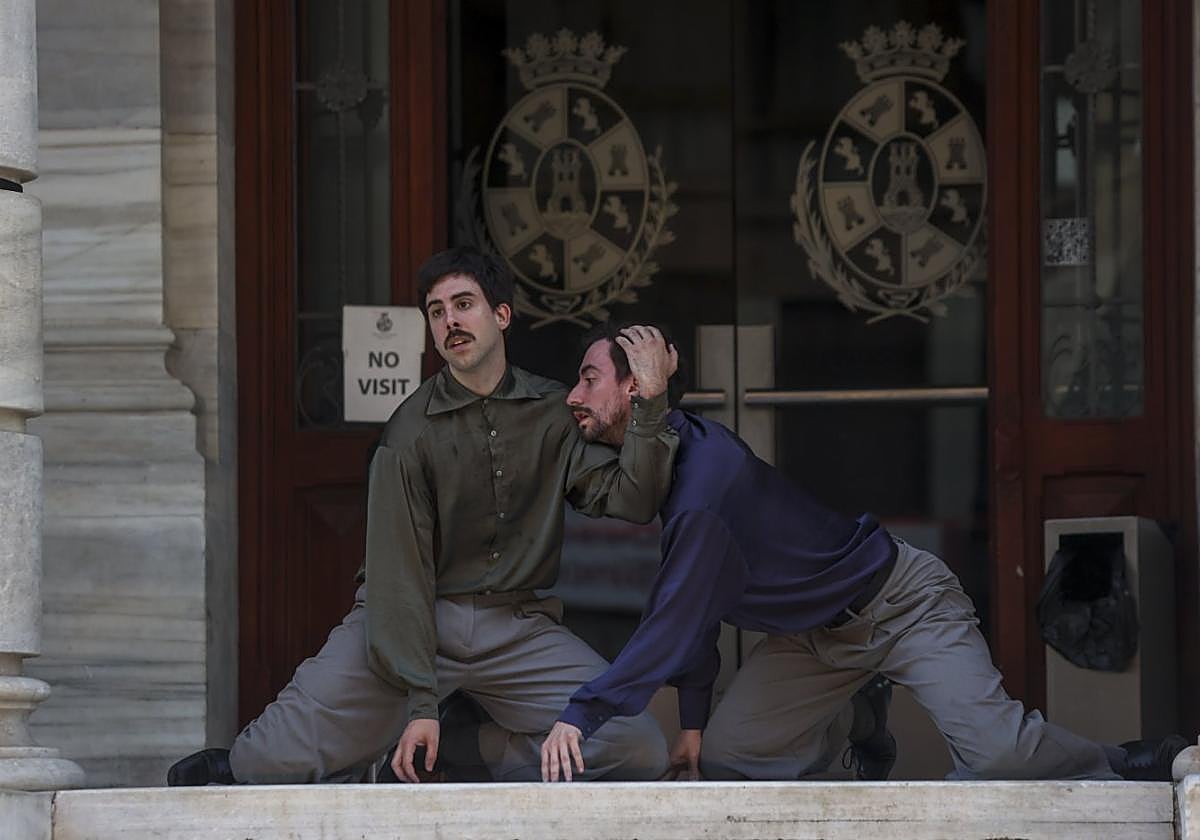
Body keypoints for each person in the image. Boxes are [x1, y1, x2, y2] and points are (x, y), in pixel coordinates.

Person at [538, 321, 1186, 783]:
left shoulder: (702, 484)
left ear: (633, 391)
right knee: (733, 761)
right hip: (810, 640)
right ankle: (854, 723)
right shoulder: (677, 455)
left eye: (588, 378)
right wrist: (695, 724)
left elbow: (673, 622)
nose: (573, 395)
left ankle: (1121, 760)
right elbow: (698, 611)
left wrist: (583, 712)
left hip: (900, 604)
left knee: (998, 757)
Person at [167, 248, 679, 786]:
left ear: (501, 316)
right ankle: (280, 757)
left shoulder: (553, 411)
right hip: (412, 619)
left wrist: (651, 401)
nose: (450, 322)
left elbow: (634, 500)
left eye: (463, 304)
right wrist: (420, 704)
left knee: (636, 747)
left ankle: (465, 751)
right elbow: (400, 578)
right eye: (437, 312)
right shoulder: (408, 432)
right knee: (262, 767)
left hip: (518, 628)